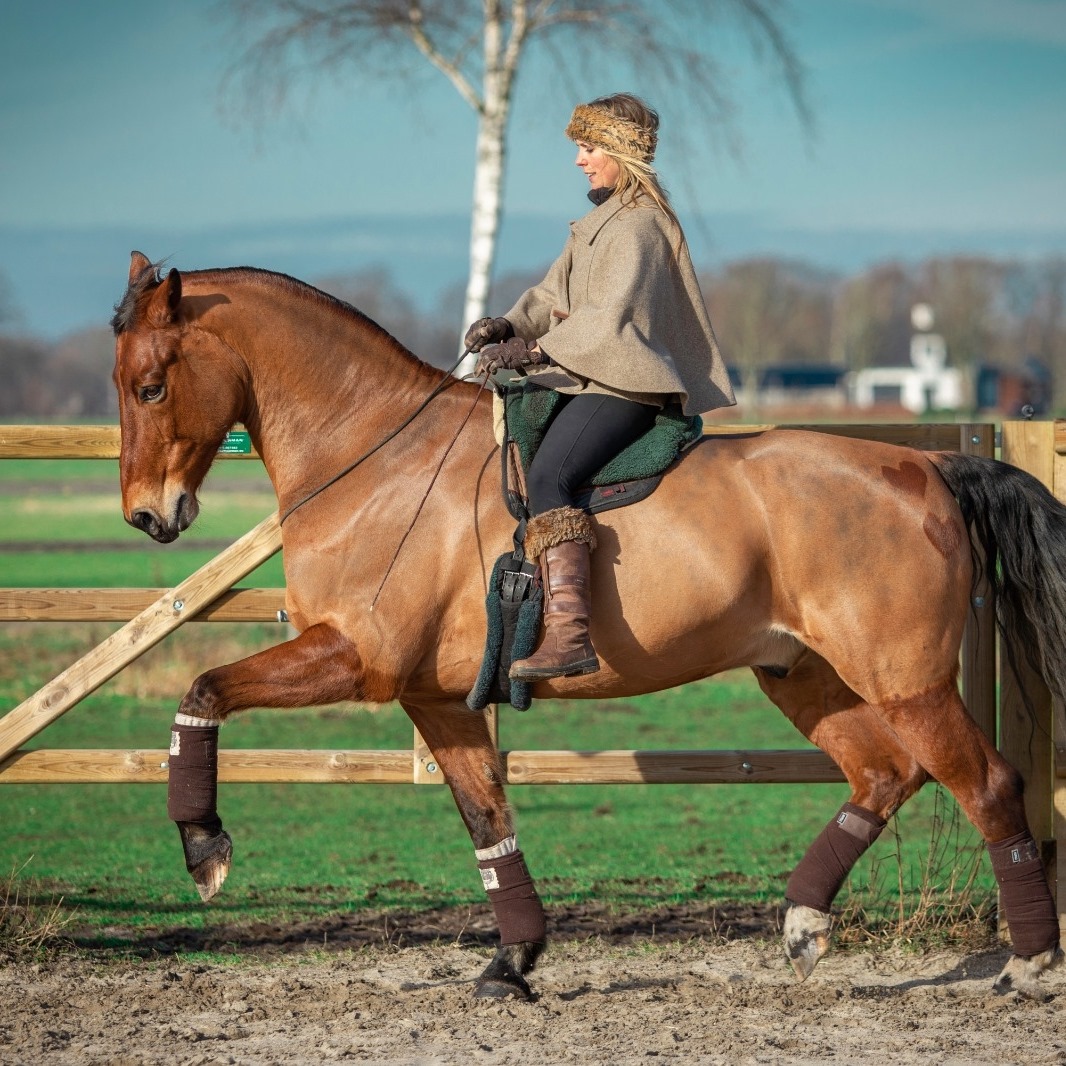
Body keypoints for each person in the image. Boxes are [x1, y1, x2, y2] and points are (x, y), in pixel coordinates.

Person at [465, 92, 736, 683]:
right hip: (593, 375)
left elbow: (609, 316)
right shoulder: (600, 222)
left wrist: (535, 351)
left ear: (617, 150)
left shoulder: (639, 227)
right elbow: (551, 296)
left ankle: (569, 634)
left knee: (548, 476)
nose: (579, 160)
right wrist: (508, 324)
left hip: (628, 385)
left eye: (588, 148)